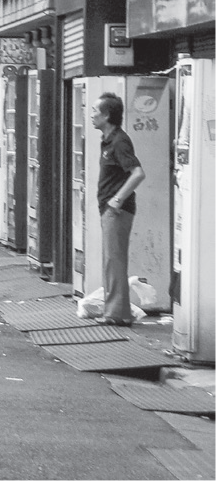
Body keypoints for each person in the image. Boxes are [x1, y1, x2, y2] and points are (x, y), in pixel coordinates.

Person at [93, 91, 145, 326]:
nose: (92, 115)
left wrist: (117, 200)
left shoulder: (119, 141)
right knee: (112, 261)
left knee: (114, 261)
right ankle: (119, 312)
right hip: (109, 209)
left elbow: (138, 173)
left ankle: (115, 314)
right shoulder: (108, 141)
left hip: (117, 211)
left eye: (95, 111)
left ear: (106, 115)